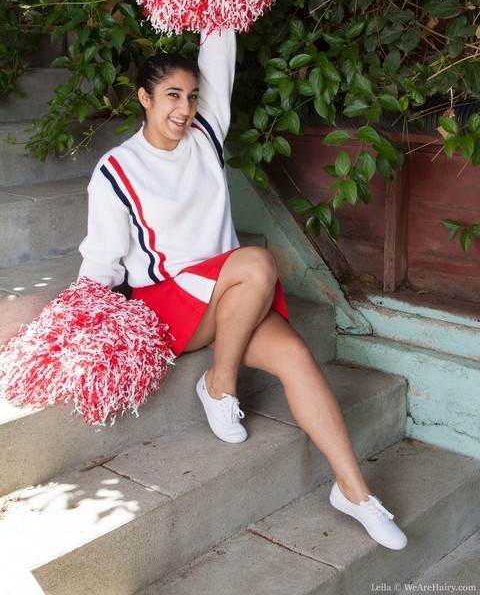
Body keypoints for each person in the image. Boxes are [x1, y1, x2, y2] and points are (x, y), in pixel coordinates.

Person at [79, 28, 407, 551]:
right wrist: (81, 324)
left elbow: (220, 51)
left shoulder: (207, 136)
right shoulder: (117, 170)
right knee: (257, 261)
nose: (185, 109)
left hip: (231, 295)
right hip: (170, 306)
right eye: (171, 96)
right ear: (143, 98)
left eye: (191, 96)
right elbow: (100, 260)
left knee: (297, 357)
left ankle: (356, 494)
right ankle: (219, 384)